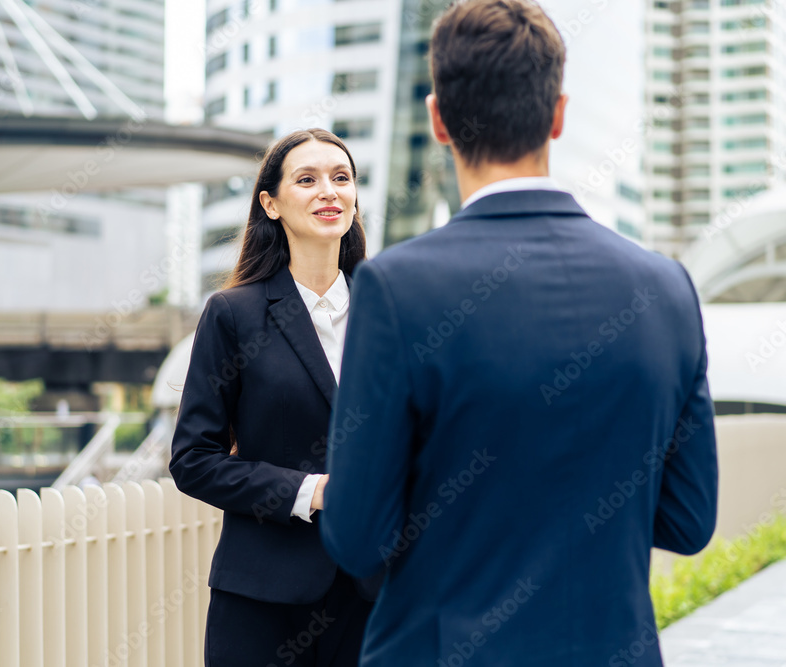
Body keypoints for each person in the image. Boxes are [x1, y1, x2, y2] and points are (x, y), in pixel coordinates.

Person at [320, 1, 719, 665]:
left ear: (439, 119)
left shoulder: (396, 289)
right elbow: (688, 518)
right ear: (558, 115)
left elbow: (359, 538)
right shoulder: (665, 288)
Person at [170, 129, 378, 666]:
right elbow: (193, 460)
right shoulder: (233, 314)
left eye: (341, 178)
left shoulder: (392, 314)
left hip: (376, 595)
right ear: (271, 203)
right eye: (306, 180)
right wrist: (313, 492)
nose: (328, 192)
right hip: (262, 602)